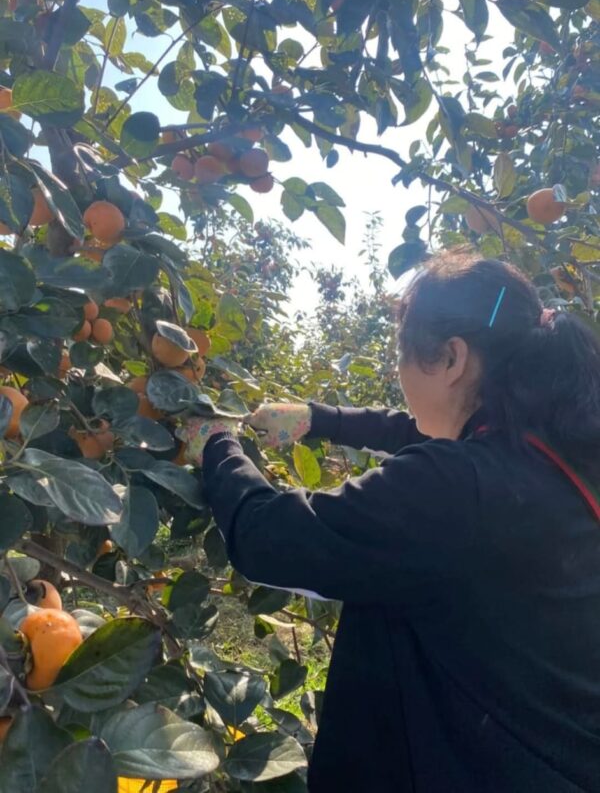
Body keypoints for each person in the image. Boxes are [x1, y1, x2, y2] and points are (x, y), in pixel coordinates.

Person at [180, 254, 600, 792]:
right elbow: (430, 436)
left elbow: (271, 537)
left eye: (400, 355)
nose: (397, 373)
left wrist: (218, 444)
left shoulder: (456, 491)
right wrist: (318, 419)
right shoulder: (558, 450)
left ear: (451, 358)